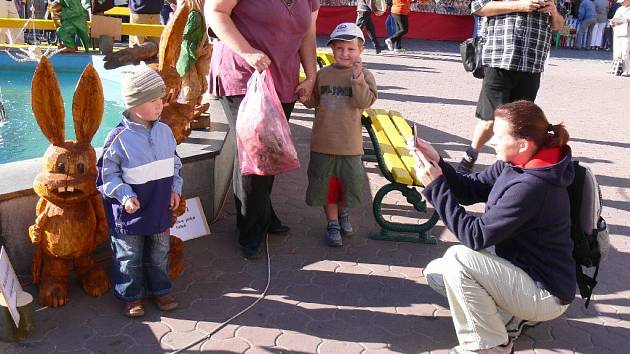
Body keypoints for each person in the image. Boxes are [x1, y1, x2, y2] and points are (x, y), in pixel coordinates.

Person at [416, 100, 575, 354]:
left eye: (498, 137)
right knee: (438, 272)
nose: (491, 142)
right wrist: (439, 163)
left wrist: (435, 188)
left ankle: (490, 346)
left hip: (545, 292)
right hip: (521, 269)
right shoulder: (516, 163)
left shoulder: (532, 186)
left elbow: (475, 236)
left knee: (458, 259)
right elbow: (470, 190)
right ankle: (510, 318)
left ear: (522, 144)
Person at [205, 0, 319, 259]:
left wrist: (311, 77)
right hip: (245, 76)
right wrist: (247, 52)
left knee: (273, 150)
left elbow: (308, 32)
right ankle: (250, 228)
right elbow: (215, 11)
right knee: (255, 153)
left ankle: (263, 212)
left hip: (283, 79)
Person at [97, 65, 183, 317]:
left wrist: (175, 188)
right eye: (153, 100)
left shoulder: (165, 132)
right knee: (128, 256)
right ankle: (131, 295)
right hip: (130, 212)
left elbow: (175, 163)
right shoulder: (118, 138)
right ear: (135, 104)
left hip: (158, 207)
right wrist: (125, 195)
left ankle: (160, 289)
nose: (160, 105)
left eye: (161, 99)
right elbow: (106, 175)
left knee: (159, 252)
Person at [457, 0, 565, 174]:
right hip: (500, 59)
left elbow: (559, 26)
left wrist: (554, 12)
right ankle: (470, 156)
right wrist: (520, 5)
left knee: (519, 124)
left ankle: (506, 170)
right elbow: (478, 7)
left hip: (532, 65)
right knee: (491, 120)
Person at [301, 23, 377, 247]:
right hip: (323, 144)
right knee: (326, 188)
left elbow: (363, 102)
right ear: (332, 49)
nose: (345, 53)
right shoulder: (322, 74)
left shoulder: (366, 75)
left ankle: (343, 214)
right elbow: (314, 102)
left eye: (350, 49)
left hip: (350, 146)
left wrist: (357, 78)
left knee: (347, 187)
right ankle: (332, 222)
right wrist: (304, 95)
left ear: (360, 50)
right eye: (340, 48)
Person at [611, 0, 630, 75]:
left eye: (623, 1)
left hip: (627, 32)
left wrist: (626, 21)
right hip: (618, 32)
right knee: (618, 52)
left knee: (625, 51)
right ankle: (618, 69)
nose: (621, 3)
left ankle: (627, 70)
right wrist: (612, 22)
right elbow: (614, 18)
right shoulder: (619, 9)